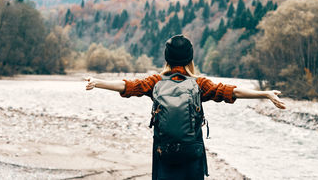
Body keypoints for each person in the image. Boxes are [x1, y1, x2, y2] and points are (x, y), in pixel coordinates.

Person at [85, 34, 286, 180]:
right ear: (190, 58)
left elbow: (128, 86)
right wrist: (264, 94)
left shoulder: (156, 82)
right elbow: (231, 92)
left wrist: (98, 82)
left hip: (164, 152)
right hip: (192, 153)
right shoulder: (199, 84)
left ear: (167, 58)